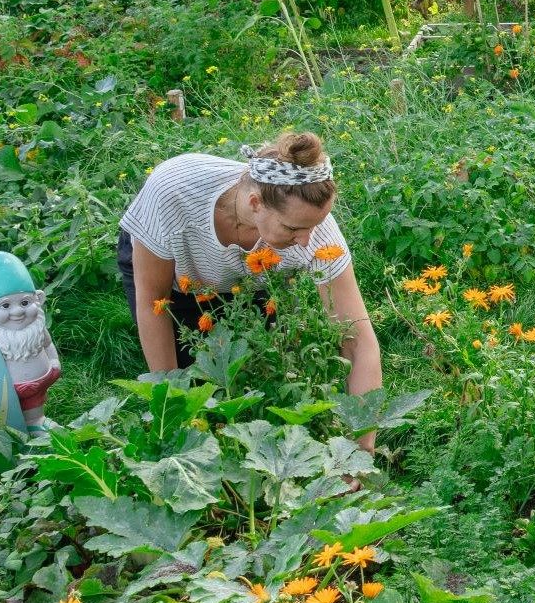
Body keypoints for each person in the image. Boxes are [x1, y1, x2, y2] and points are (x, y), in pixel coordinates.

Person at [117, 131, 382, 452]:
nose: (307, 240)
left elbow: (360, 343)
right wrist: (173, 412)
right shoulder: (174, 190)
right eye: (294, 229)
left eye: (316, 225)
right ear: (255, 203)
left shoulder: (316, 233)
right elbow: (152, 304)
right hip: (176, 284)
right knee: (198, 390)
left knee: (261, 385)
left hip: (251, 284)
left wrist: (360, 449)